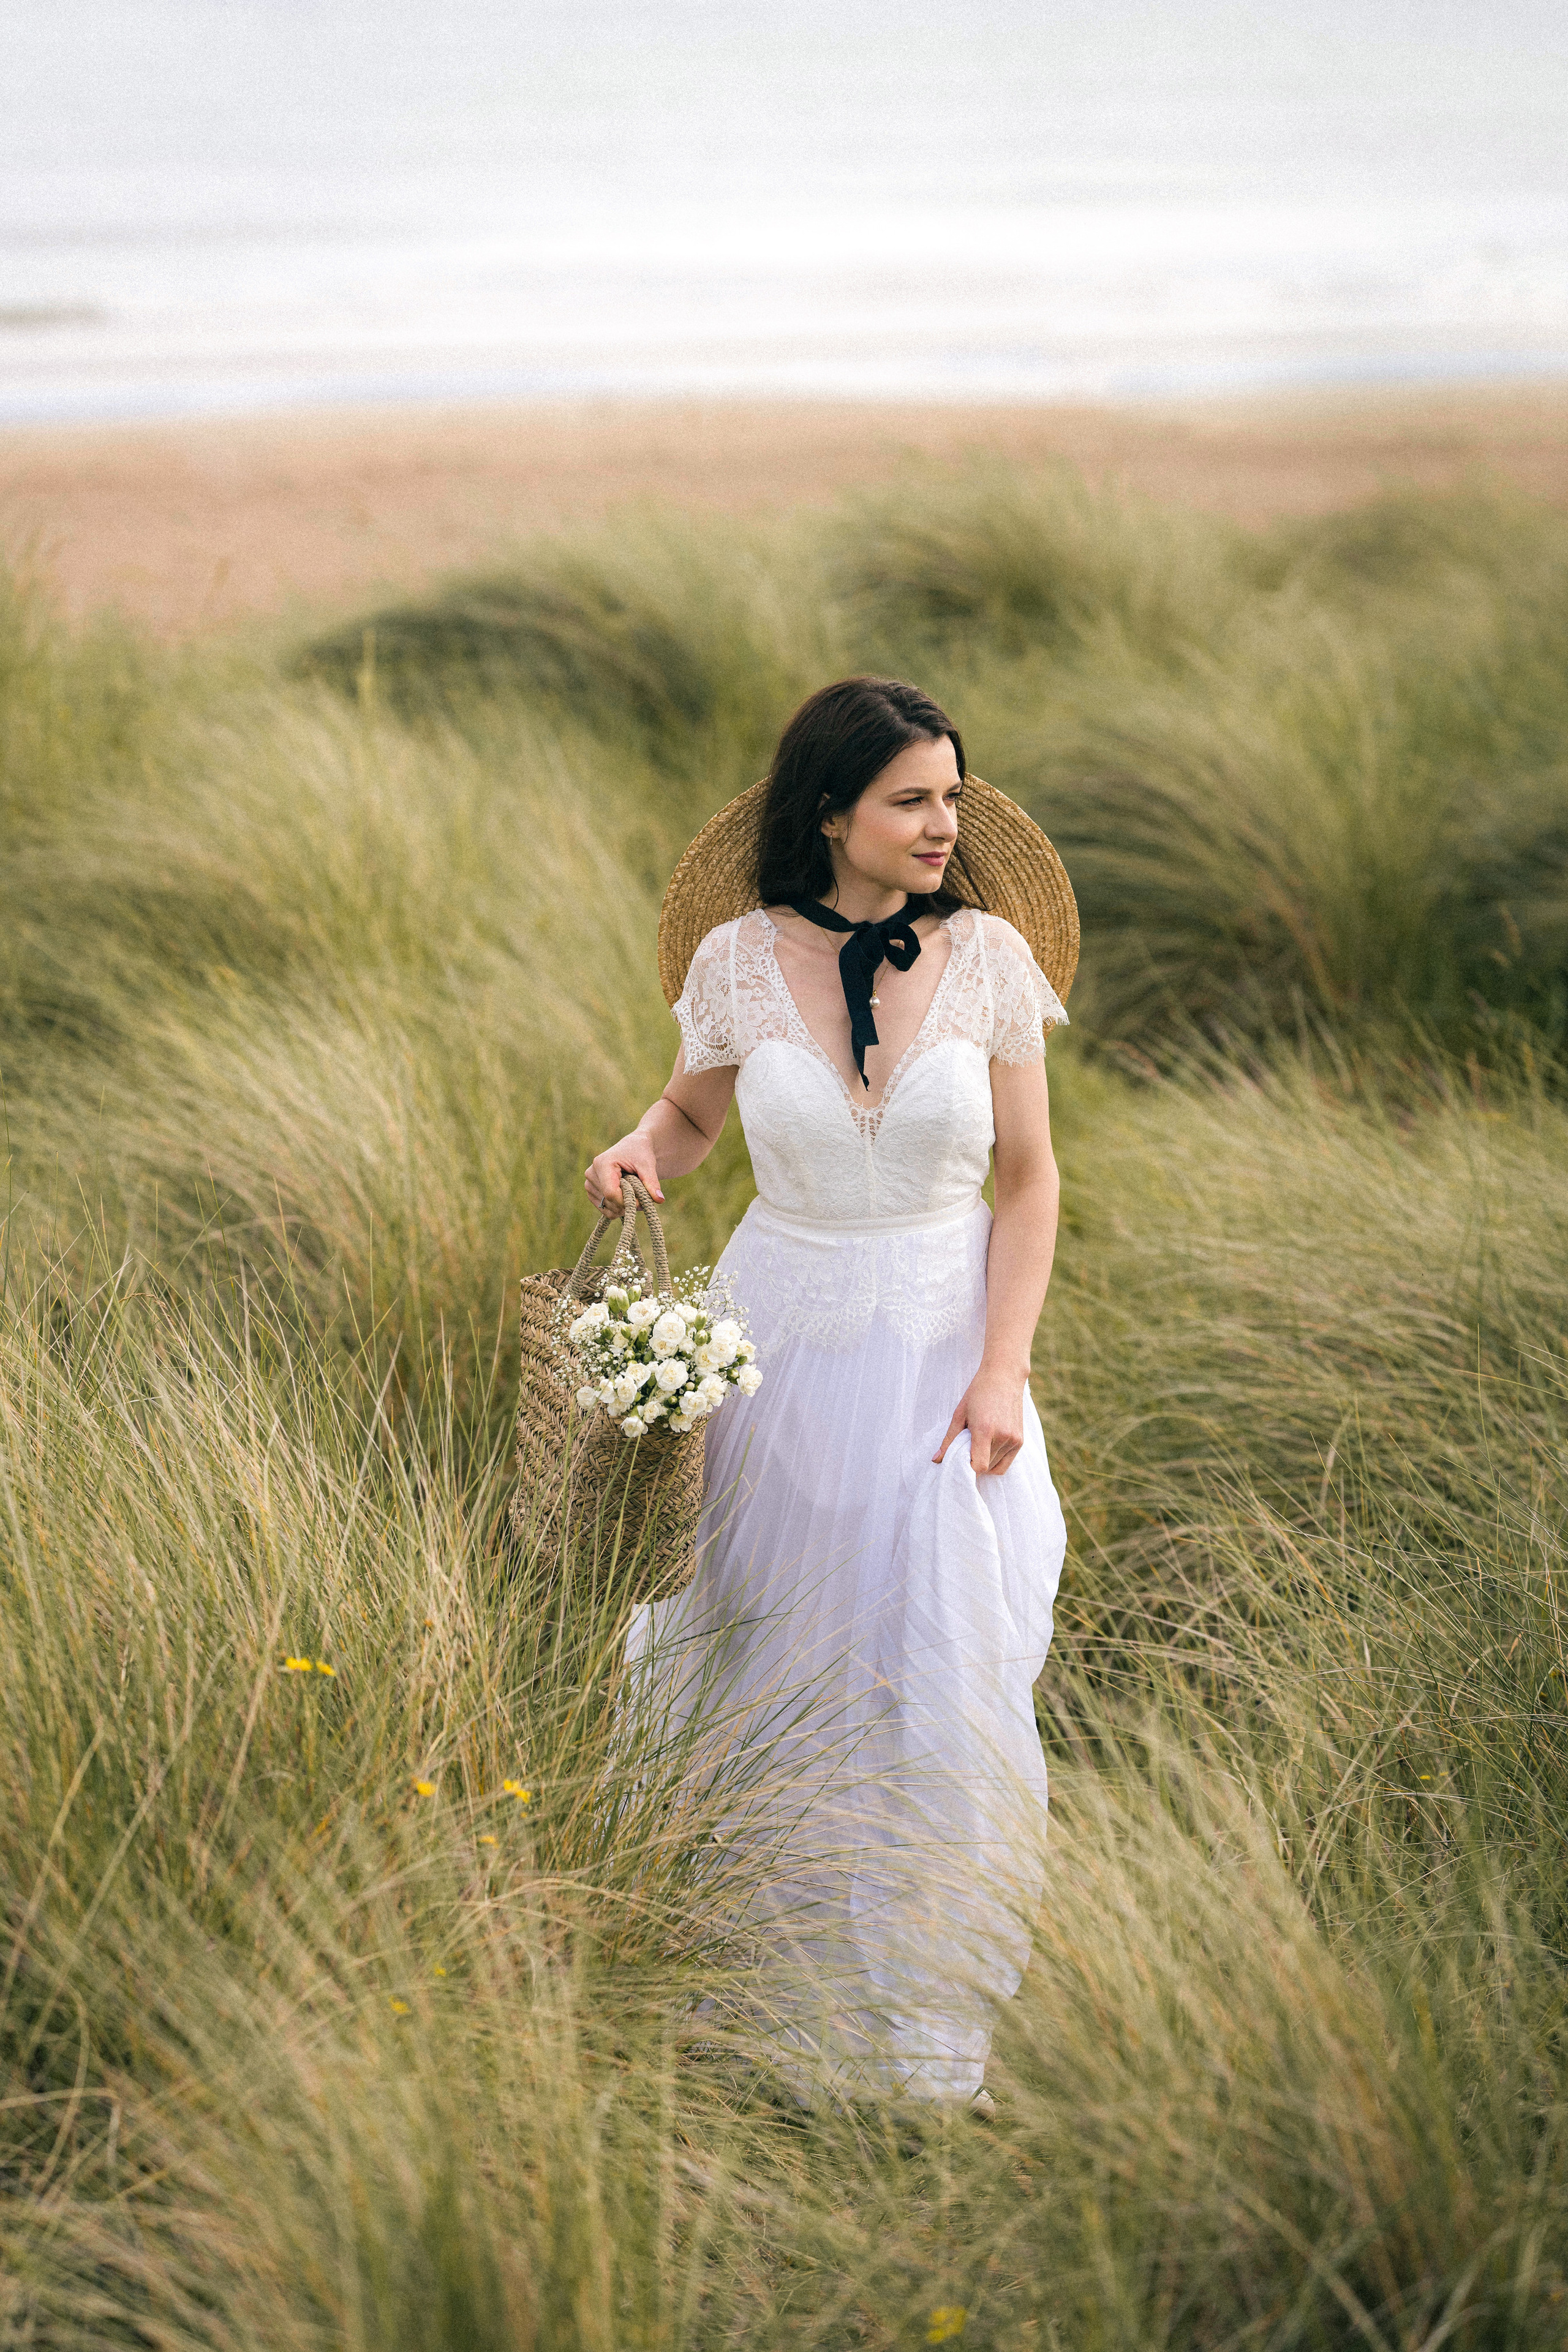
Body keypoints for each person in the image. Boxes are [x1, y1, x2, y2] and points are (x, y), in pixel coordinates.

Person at [585, 675, 1074, 2111]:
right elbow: (688, 1118)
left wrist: (1002, 1369)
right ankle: (743, 2002)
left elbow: (1029, 1179)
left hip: (939, 1348)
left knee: (929, 1660)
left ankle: (918, 2022)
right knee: (757, 1649)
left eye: (952, 796)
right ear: (830, 816)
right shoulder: (738, 961)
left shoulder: (985, 958)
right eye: (911, 800)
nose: (944, 824)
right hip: (774, 1345)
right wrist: (634, 1154)